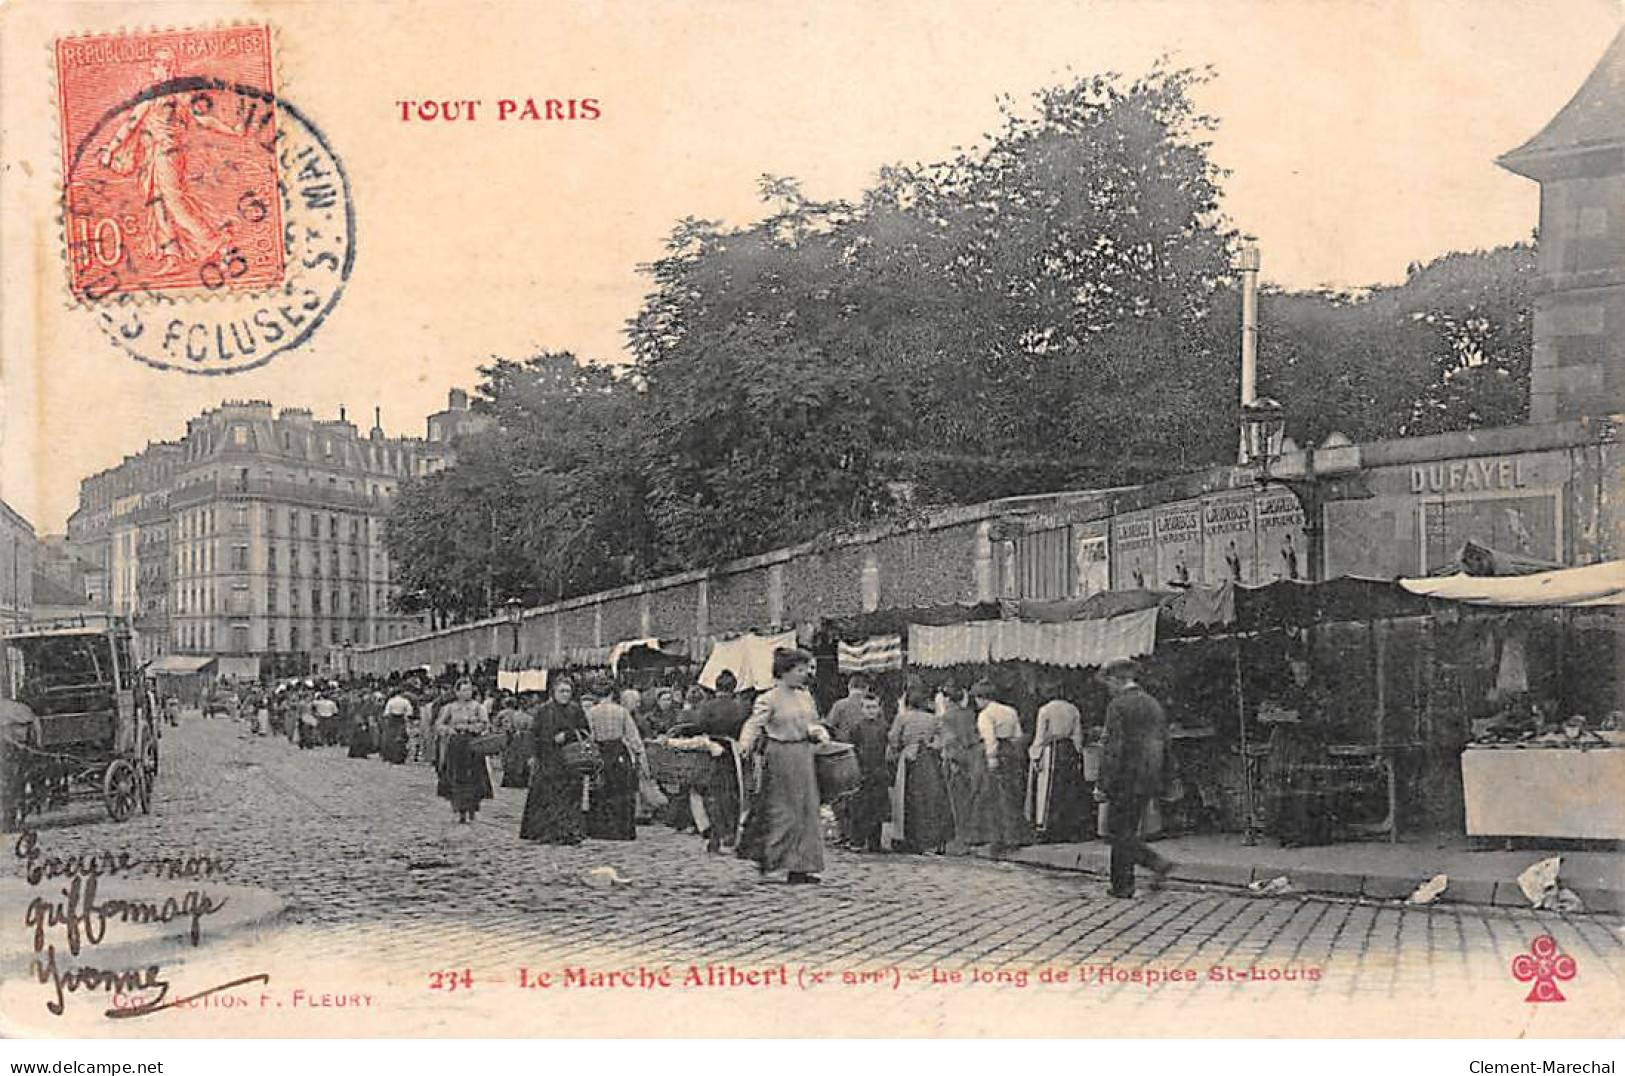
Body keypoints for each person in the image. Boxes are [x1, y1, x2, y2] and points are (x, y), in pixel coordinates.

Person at [737, 648, 831, 883]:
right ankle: (772, 861)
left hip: (803, 756)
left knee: (806, 812)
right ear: (785, 671)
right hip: (779, 756)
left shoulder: (805, 697)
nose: (804, 674)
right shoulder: (769, 698)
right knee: (782, 811)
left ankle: (801, 866)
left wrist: (818, 732)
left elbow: (811, 723)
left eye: (805, 669)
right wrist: (745, 744)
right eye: (800, 670)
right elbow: (754, 724)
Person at [1096, 661, 1174, 898]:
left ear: (1116, 680)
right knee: (1126, 831)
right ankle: (1122, 885)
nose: (1107, 688)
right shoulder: (1153, 703)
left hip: (1124, 777)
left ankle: (1153, 865)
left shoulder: (1118, 705)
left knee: (1116, 832)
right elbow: (1165, 742)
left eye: (1108, 682)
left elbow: (1114, 749)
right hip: (1149, 775)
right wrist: (1167, 777)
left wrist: (1103, 784)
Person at [520, 676, 590, 845]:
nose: (565, 695)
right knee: (548, 795)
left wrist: (568, 735)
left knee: (571, 796)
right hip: (548, 757)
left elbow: (585, 730)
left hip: (571, 759)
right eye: (562, 691)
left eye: (568, 691)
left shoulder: (576, 710)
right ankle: (548, 832)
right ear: (554, 692)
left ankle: (569, 832)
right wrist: (531, 755)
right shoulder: (544, 710)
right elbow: (532, 734)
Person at [888, 677, 952, 854]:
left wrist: (899, 748)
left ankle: (906, 837)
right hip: (928, 760)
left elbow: (893, 738)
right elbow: (946, 738)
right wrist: (933, 745)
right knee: (927, 799)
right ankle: (927, 838)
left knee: (905, 798)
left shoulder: (902, 718)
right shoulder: (933, 719)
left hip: (908, 757)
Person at [973, 679, 1032, 855]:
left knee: (994, 797)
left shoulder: (985, 715)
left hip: (997, 751)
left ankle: (999, 838)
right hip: (1011, 751)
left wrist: (992, 760)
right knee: (1012, 794)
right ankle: (1016, 836)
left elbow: (989, 739)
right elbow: (1018, 735)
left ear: (982, 698)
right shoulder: (1010, 711)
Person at [585, 679, 646, 841]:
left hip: (600, 752)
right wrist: (640, 756)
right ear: (613, 694)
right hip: (618, 752)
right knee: (621, 791)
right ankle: (621, 830)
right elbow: (633, 737)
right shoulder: (622, 712)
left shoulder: (591, 712)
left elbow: (589, 736)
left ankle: (600, 830)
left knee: (600, 790)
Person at [1027, 687, 1090, 842]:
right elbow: (1077, 735)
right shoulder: (1073, 709)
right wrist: (1078, 753)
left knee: (1048, 790)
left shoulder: (1045, 710)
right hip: (1068, 750)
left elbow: (1040, 736)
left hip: (1052, 750)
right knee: (1069, 790)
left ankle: (1049, 829)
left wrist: (1035, 755)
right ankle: (1068, 828)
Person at [695, 671, 748, 853]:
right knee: (733, 794)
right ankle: (731, 834)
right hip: (734, 753)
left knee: (713, 795)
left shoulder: (707, 707)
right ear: (733, 687)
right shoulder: (740, 707)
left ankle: (715, 834)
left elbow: (699, 725)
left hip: (711, 751)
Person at [937, 681, 985, 852]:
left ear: (948, 700)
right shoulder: (970, 714)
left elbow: (949, 742)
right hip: (973, 759)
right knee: (972, 798)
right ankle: (972, 835)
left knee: (956, 803)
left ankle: (961, 839)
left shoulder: (946, 718)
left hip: (955, 763)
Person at [437, 679, 493, 823]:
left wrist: (476, 727)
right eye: (463, 690)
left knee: (474, 776)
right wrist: (450, 730)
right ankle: (460, 808)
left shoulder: (478, 707)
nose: (466, 693)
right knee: (457, 776)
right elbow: (439, 725)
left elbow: (485, 724)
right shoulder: (450, 708)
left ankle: (473, 808)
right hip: (456, 745)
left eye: (469, 690)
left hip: (473, 744)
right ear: (457, 692)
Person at [845, 694, 892, 852]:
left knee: (877, 809)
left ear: (879, 708)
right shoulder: (856, 727)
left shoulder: (884, 727)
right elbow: (852, 748)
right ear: (862, 709)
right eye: (868, 707)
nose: (871, 711)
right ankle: (856, 841)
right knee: (860, 808)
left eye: (874, 707)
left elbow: (887, 748)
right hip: (862, 772)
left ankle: (875, 843)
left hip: (878, 772)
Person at [497, 696, 536, 789]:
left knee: (511, 760)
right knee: (521, 760)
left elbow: (503, 725)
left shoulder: (512, 715)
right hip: (524, 741)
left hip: (513, 738)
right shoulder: (530, 717)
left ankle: (511, 780)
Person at [380, 689, 412, 764]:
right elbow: (409, 711)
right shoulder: (405, 701)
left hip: (392, 720)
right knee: (400, 738)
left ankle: (389, 756)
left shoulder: (391, 701)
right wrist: (406, 717)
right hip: (401, 719)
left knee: (390, 738)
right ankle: (398, 757)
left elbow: (386, 712)